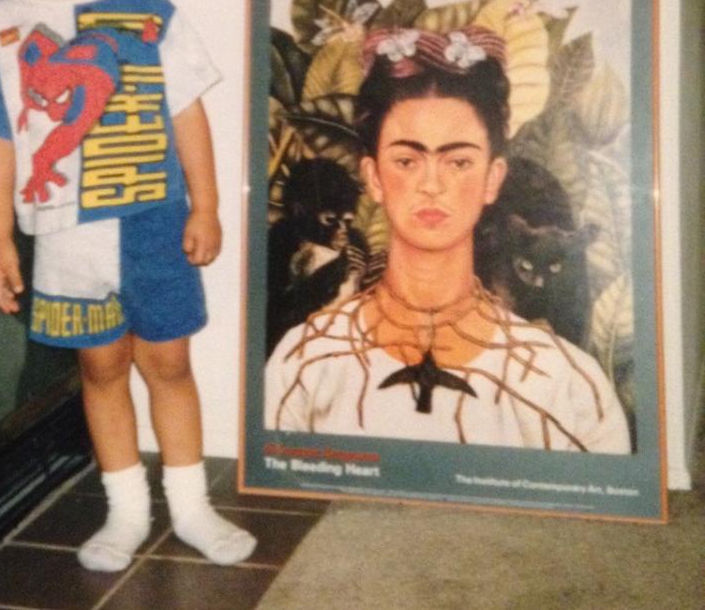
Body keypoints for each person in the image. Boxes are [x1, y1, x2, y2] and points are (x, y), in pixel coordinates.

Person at [0, 0, 256, 572]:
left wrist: (207, 205)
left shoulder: (148, 10)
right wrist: (1, 238)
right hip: (66, 236)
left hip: (154, 225)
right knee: (100, 370)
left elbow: (186, 110)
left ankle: (191, 506)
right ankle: (125, 510)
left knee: (167, 364)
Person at [264, 26, 630, 453]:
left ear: (492, 179)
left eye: (458, 161)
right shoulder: (306, 361)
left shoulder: (568, 384)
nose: (432, 184)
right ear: (373, 178)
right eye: (406, 160)